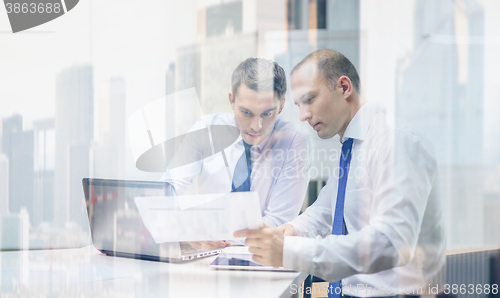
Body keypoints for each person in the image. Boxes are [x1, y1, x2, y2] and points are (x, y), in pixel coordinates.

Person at [235, 50, 446, 297]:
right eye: (298, 105)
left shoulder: (395, 142)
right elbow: (324, 211)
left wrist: (289, 251)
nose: (303, 115)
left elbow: (392, 242)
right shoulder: (352, 147)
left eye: (309, 99)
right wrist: (286, 232)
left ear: (344, 87)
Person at [161, 57, 310, 249]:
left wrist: (208, 232)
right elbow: (167, 190)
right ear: (232, 101)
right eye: (246, 112)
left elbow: (276, 224)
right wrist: (183, 230)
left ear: (281, 106)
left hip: (263, 260)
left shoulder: (294, 141)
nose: (256, 126)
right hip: (207, 257)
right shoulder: (207, 129)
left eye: (266, 114)